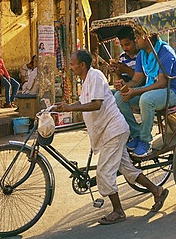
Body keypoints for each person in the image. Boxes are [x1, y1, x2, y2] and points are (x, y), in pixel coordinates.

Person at [54, 50, 168, 225]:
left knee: (104, 173)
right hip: (108, 132)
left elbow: (96, 104)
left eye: (72, 63)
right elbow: (83, 102)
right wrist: (67, 106)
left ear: (82, 65)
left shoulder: (96, 77)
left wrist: (71, 109)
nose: (71, 66)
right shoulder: (85, 81)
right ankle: (157, 190)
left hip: (113, 131)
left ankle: (118, 211)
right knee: (127, 169)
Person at [114, 32, 176, 157]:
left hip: (170, 91)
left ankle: (145, 141)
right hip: (150, 90)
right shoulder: (142, 55)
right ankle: (136, 134)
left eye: (137, 38)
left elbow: (162, 83)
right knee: (119, 97)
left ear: (147, 37)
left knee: (146, 99)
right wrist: (125, 86)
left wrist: (136, 91)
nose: (136, 40)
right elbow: (136, 80)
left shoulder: (165, 51)